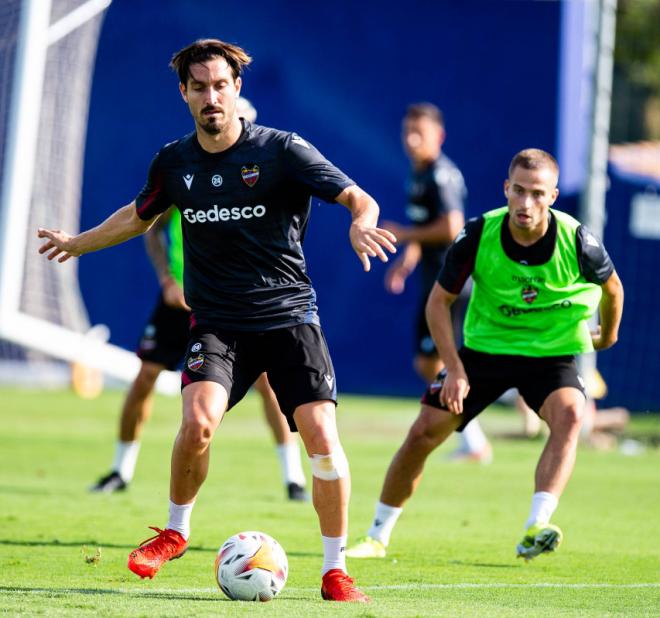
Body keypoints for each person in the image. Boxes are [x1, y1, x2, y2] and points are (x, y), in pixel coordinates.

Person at [38, 38, 397, 602]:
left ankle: (335, 570)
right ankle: (176, 533)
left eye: (220, 85)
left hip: (288, 318)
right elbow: (139, 216)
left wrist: (360, 221)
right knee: (199, 422)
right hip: (217, 323)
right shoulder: (174, 162)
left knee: (323, 440)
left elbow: (358, 197)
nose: (211, 96)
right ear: (184, 93)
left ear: (238, 89)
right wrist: (79, 244)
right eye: (199, 87)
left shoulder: (282, 151)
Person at [346, 148, 623, 561]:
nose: (527, 203)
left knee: (570, 415)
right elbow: (438, 304)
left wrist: (607, 338)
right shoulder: (479, 234)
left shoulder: (577, 239)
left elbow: (613, 289)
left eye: (538, 193)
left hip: (550, 352)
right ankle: (376, 536)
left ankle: (537, 524)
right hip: (485, 350)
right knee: (423, 433)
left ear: (553, 195)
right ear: (506, 189)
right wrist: (454, 369)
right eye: (520, 191)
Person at [90, 98, 310, 502]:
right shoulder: (189, 172)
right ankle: (121, 470)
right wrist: (168, 280)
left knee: (268, 387)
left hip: (239, 304)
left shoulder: (263, 169)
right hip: (183, 299)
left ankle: (293, 477)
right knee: (145, 379)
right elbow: (149, 227)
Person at [382, 103, 492, 463]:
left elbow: (450, 226)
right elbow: (425, 226)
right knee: (428, 362)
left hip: (452, 286)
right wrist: (408, 259)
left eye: (420, 133)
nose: (412, 140)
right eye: (407, 132)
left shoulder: (440, 175)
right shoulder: (418, 174)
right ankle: (473, 433)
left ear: (439, 137)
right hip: (434, 284)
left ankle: (479, 425)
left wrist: (402, 234)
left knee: (439, 360)